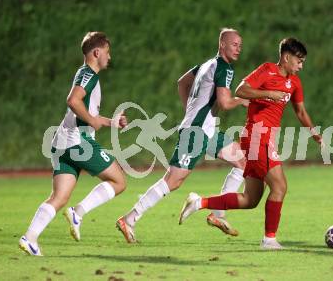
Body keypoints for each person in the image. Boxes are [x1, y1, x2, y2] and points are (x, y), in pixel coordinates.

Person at [179, 37, 324, 250]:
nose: (301, 65)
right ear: (286, 57)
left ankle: (199, 202)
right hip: (257, 135)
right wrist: (267, 93)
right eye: (299, 61)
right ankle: (269, 240)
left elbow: (300, 111)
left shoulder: (294, 82)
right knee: (280, 186)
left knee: (250, 199)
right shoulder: (267, 70)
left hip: (265, 138)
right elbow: (240, 90)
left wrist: (314, 133)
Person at [116, 28, 248, 243]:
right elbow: (224, 103)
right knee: (173, 180)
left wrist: (191, 109)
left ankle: (217, 213)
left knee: (243, 160)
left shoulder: (206, 64)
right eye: (234, 44)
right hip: (196, 132)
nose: (238, 48)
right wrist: (242, 100)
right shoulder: (224, 67)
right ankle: (129, 219)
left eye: (240, 45)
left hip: (207, 130)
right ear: (222, 45)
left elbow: (181, 82)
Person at [19, 32, 128, 256]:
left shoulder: (84, 74)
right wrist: (93, 120)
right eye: (107, 52)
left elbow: (85, 112)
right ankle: (78, 212)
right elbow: (73, 101)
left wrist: (110, 122)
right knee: (119, 181)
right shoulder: (89, 74)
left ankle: (29, 238)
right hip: (78, 143)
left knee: (58, 198)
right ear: (97, 52)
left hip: (62, 142)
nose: (109, 56)